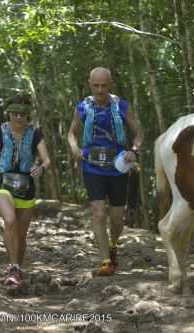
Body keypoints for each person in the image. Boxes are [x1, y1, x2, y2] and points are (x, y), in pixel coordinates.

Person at [67, 67, 142, 276]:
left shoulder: (122, 106)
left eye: (104, 86)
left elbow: (138, 134)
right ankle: (105, 261)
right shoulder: (83, 106)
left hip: (117, 166)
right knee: (99, 213)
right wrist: (75, 148)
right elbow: (72, 133)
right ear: (90, 84)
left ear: (110, 84)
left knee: (118, 217)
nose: (100, 90)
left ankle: (113, 244)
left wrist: (133, 151)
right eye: (96, 86)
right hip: (92, 166)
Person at [0, 94, 51, 289]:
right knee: (10, 221)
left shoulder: (35, 133)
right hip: (3, 182)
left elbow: (46, 159)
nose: (18, 118)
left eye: (22, 114)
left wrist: (41, 168)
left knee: (21, 235)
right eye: (14, 113)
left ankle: (17, 270)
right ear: (8, 113)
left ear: (28, 115)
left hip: (26, 187)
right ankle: (12, 268)